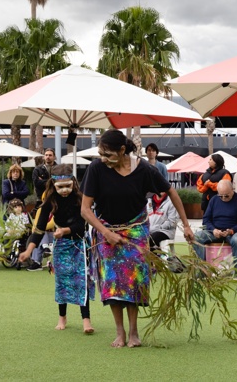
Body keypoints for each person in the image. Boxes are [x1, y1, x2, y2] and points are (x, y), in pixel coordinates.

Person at [80, 129, 194, 348]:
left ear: (122, 150)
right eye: (101, 154)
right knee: (113, 282)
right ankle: (119, 333)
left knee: (135, 280)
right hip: (107, 231)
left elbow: (172, 192)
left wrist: (186, 226)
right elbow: (85, 210)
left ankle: (134, 333)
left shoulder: (144, 169)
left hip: (137, 232)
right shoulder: (97, 168)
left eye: (108, 154)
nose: (104, 159)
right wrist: (106, 233)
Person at [19, 164, 94, 334]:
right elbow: (38, 228)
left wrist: (65, 230)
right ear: (53, 184)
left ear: (73, 183)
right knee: (61, 281)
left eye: (68, 185)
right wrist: (29, 250)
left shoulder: (80, 198)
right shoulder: (50, 201)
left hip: (79, 244)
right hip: (61, 245)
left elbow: (82, 224)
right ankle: (62, 317)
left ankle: (86, 320)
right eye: (60, 187)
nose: (65, 190)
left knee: (81, 280)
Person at [193, 180, 237, 273]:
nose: (223, 198)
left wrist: (231, 231)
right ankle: (202, 269)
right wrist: (213, 230)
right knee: (196, 237)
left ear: (232, 190)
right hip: (214, 231)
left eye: (226, 195)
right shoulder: (214, 200)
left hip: (234, 232)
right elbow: (206, 220)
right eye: (220, 195)